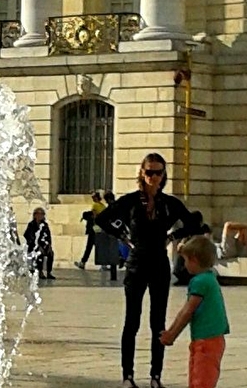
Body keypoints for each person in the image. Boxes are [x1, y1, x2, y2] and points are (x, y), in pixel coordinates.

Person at [97, 152, 197, 388]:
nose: (153, 177)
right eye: (149, 172)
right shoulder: (131, 201)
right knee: (132, 321)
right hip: (136, 264)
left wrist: (174, 236)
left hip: (159, 264)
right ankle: (127, 376)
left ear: (164, 175)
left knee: (157, 322)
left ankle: (155, 376)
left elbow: (193, 222)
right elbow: (103, 220)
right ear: (142, 173)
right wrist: (123, 235)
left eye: (158, 172)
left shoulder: (168, 203)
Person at [159, 235, 229, 388]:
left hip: (206, 340)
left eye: (185, 260)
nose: (184, 265)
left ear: (194, 260)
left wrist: (171, 335)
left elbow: (187, 311)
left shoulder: (199, 282)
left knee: (201, 381)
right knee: (200, 377)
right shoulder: (209, 277)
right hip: (212, 339)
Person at [24, 206, 56, 280]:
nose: (41, 216)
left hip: (43, 245)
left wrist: (49, 246)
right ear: (35, 215)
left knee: (51, 254)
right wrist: (37, 246)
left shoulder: (45, 225)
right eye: (39, 214)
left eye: (42, 214)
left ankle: (48, 272)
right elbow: (29, 237)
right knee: (39, 253)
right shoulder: (31, 225)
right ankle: (40, 271)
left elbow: (48, 236)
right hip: (33, 246)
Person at [76, 190, 106, 270]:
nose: (93, 199)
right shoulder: (103, 206)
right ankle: (103, 264)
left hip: (94, 229)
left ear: (96, 198)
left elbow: (95, 217)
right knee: (99, 246)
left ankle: (83, 262)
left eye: (93, 197)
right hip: (101, 228)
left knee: (89, 246)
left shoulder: (95, 206)